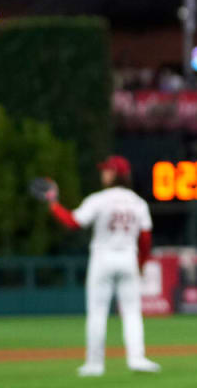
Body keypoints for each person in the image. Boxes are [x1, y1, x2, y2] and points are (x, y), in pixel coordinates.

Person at [44, 155, 160, 377]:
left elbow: (73, 222)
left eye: (107, 170)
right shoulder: (138, 202)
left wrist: (53, 203)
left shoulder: (99, 199)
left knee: (97, 312)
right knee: (133, 312)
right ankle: (137, 358)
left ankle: (94, 364)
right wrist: (142, 264)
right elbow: (145, 240)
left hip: (103, 259)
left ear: (116, 174)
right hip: (128, 258)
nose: (103, 173)